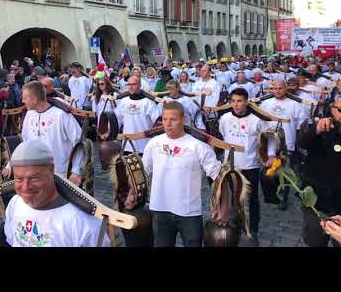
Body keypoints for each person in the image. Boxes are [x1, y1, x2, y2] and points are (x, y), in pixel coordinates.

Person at [127, 101, 224, 247]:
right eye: (165, 119)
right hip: (160, 209)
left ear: (183, 119)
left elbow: (219, 176)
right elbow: (142, 173)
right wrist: (132, 194)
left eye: (173, 119)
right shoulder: (153, 143)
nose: (168, 124)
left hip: (189, 212)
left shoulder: (198, 146)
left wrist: (222, 207)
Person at [4, 140, 109, 247]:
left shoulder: (83, 223)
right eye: (19, 179)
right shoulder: (15, 203)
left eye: (34, 178)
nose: (25, 187)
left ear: (51, 170)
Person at [300, 94, 341, 247]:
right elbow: (303, 143)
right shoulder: (322, 127)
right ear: (332, 109)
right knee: (314, 241)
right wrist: (315, 129)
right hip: (316, 202)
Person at [218, 88, 277, 246]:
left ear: (246, 101)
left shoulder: (256, 121)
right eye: (233, 101)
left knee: (251, 201)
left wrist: (271, 155)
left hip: (250, 166)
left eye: (239, 101)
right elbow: (224, 135)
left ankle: (253, 231)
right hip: (231, 167)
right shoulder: (224, 118)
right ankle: (236, 226)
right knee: (233, 199)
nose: (236, 105)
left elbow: (270, 138)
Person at [3, 81, 84, 185]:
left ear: (35, 99)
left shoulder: (61, 115)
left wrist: (76, 171)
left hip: (60, 177)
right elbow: (24, 143)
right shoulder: (29, 115)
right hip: (35, 175)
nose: (22, 101)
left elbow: (80, 143)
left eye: (25, 98)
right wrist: (10, 165)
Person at [259, 80, 308, 210]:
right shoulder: (265, 104)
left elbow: (301, 127)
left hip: (287, 145)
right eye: (275, 88)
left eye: (281, 88)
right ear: (272, 89)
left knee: (285, 173)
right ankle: (271, 196)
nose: (278, 90)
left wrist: (299, 145)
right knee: (268, 171)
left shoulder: (295, 105)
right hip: (268, 143)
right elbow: (260, 123)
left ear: (286, 88)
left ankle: (283, 198)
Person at [114, 75, 161, 154]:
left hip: (144, 145)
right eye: (129, 84)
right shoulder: (124, 101)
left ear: (140, 85)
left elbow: (157, 123)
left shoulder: (148, 103)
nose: (131, 87)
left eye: (134, 84)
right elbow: (116, 119)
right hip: (127, 145)